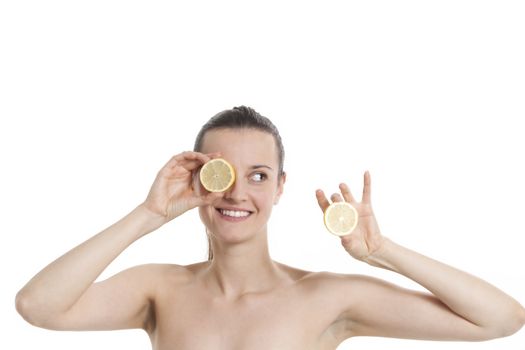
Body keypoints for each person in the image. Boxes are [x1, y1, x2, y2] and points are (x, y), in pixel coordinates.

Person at [15, 106, 525, 349]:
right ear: (198, 178)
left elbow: (501, 320)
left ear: (280, 187)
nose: (237, 194)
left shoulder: (326, 298)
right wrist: (147, 215)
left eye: (258, 176)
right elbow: (38, 306)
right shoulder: (158, 289)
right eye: (223, 174)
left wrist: (384, 252)